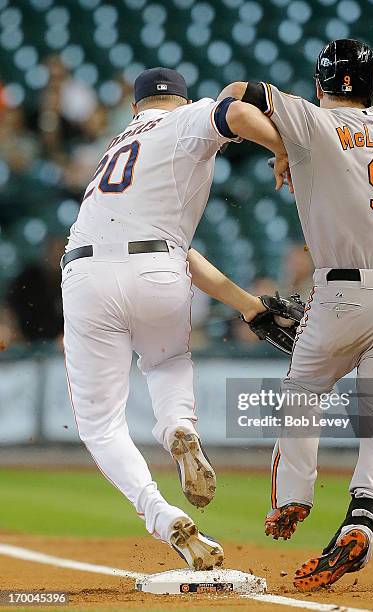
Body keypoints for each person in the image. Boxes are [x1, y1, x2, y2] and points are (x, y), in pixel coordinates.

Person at [219, 39, 373, 589]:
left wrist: (283, 142)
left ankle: (292, 499)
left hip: (343, 294)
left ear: (320, 84)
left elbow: (236, 102)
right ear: (372, 85)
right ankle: (363, 519)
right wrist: (294, 145)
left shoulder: (312, 123)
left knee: (302, 391)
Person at [61, 66, 288, 569]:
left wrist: (250, 306)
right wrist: (282, 147)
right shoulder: (184, 121)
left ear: (135, 106)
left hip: (84, 269)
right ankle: (179, 428)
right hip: (159, 266)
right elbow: (233, 111)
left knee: (100, 424)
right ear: (180, 99)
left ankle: (162, 516)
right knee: (166, 361)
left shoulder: (116, 146)